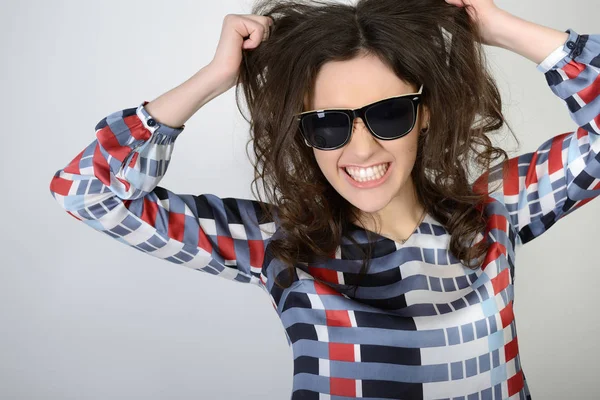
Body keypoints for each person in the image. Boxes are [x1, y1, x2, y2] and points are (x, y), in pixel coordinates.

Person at [49, 0, 599, 398]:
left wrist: (500, 28)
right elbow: (86, 191)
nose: (361, 148)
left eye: (388, 114)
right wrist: (215, 78)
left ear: (423, 113)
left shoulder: (492, 211)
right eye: (329, 124)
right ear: (303, 133)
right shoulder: (275, 242)